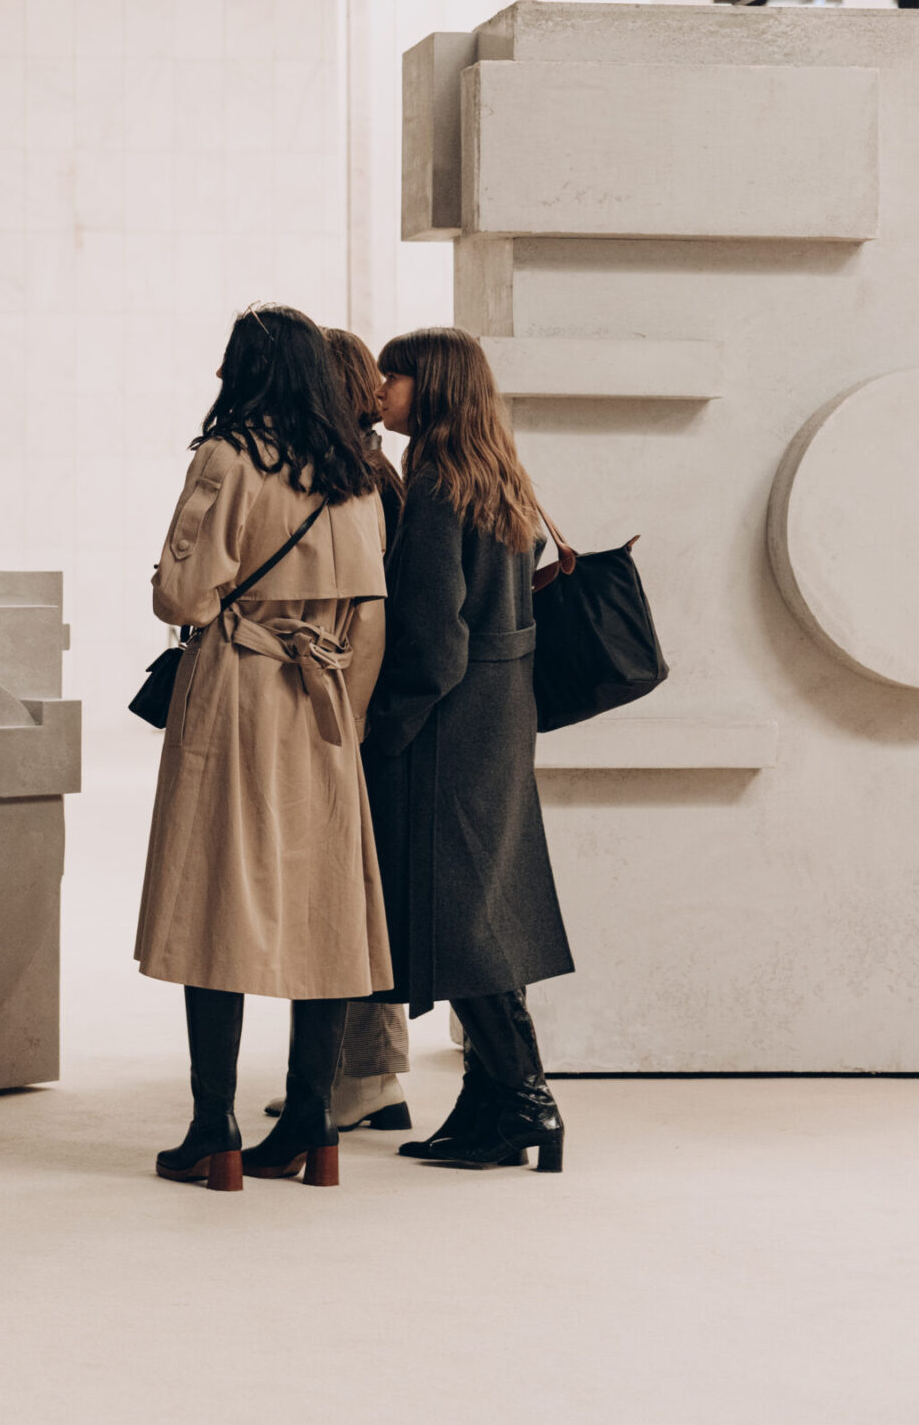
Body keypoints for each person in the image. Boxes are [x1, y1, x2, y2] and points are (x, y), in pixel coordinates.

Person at [138, 305, 392, 1193]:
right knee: (326, 909)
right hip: (326, 707)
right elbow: (372, 620)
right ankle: (314, 1123)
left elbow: (181, 598)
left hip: (238, 697)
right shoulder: (357, 474)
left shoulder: (227, 457)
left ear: (246, 371)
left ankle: (215, 1129)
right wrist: (345, 718)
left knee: (218, 899)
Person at [366, 326, 572, 1173]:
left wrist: (385, 728)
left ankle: (526, 1100)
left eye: (395, 375)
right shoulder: (498, 474)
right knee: (484, 908)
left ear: (435, 386)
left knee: (461, 918)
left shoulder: (436, 484)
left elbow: (434, 642)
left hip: (448, 730)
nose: (380, 388)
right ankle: (489, 1097)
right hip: (499, 717)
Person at [260, 328, 414, 1134]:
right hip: (357, 707)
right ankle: (347, 1075)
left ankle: (366, 1074)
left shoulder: (362, 478)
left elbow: (374, 609)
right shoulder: (364, 472)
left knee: (349, 897)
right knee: (344, 894)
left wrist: (353, 714)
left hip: (355, 711)